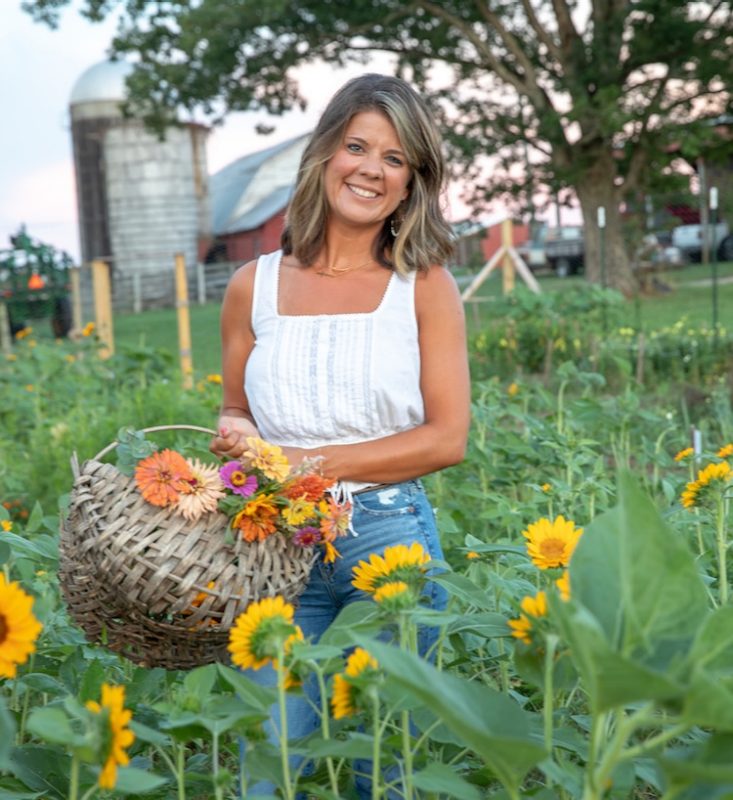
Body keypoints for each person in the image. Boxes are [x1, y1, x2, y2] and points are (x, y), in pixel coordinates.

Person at [210, 72, 470, 797]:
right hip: (272, 554)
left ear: (412, 181)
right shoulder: (250, 286)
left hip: (386, 540)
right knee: (269, 767)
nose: (371, 169)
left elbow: (447, 439)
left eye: (395, 158)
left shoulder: (421, 285)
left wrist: (301, 461)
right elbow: (235, 410)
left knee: (380, 767)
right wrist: (235, 439)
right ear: (325, 153)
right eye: (357, 146)